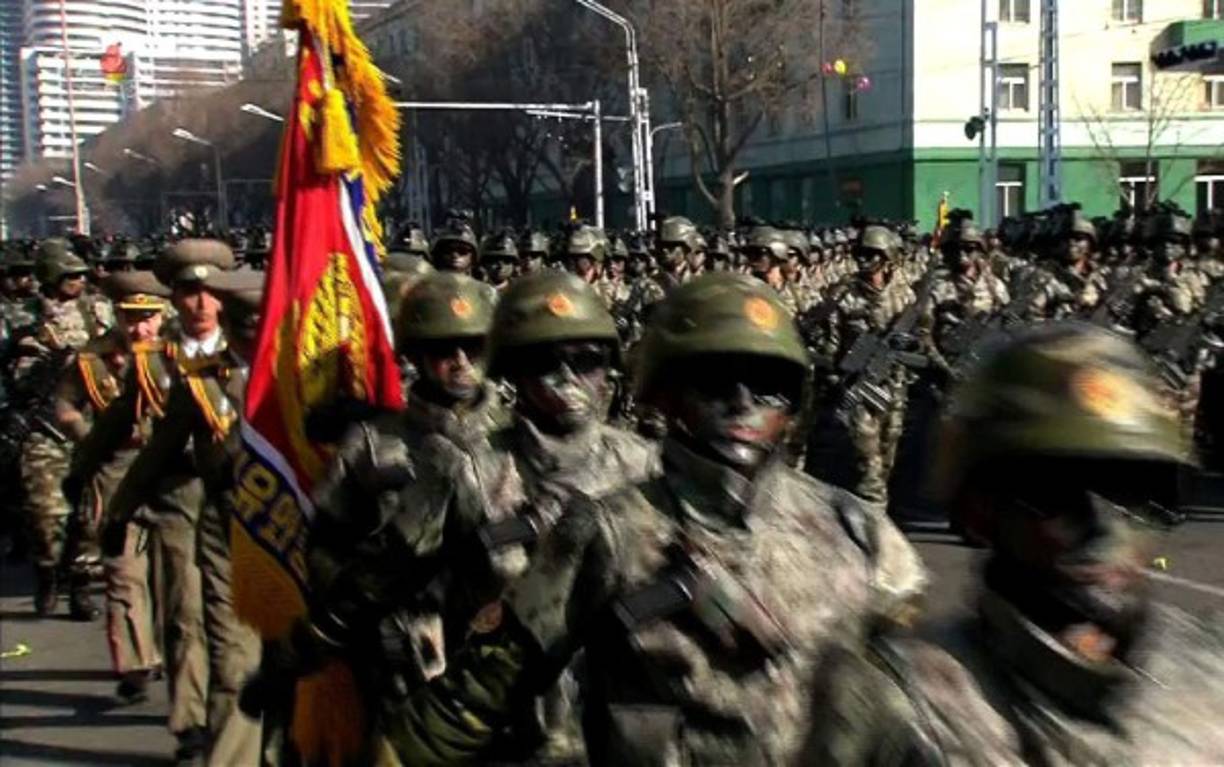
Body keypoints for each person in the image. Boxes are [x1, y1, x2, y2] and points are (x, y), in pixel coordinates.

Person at [377, 272, 925, 765]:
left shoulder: (857, 529)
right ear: (667, 392)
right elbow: (485, 689)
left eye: (766, 384)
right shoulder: (606, 531)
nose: (741, 403)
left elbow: (910, 709)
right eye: (714, 380)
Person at [803, 322, 1224, 765]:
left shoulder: (1211, 666)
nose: (1105, 527)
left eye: (1139, 494)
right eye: (1056, 493)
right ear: (980, 510)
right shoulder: (897, 702)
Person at [103, 256, 265, 766]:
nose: (200, 304)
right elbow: (154, 449)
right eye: (189, 294)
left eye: (207, 294)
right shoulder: (182, 370)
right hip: (203, 510)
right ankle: (199, 728)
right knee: (203, 628)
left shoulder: (306, 377)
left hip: (295, 532)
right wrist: (117, 512)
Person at [57, 270, 170, 701]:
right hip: (117, 468)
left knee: (169, 571)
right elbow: (66, 405)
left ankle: (164, 648)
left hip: (168, 469)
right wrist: (87, 437)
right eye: (129, 317)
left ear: (162, 315)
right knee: (123, 570)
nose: (138, 327)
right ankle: (134, 664)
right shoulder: (93, 359)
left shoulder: (180, 355)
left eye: (147, 316)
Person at [19, 238, 112, 617]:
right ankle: (47, 570)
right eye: (69, 275)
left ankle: (82, 584)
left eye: (80, 275)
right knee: (46, 514)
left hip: (90, 423)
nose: (77, 281)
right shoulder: (25, 315)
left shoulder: (99, 310)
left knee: (90, 513)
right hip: (42, 428)